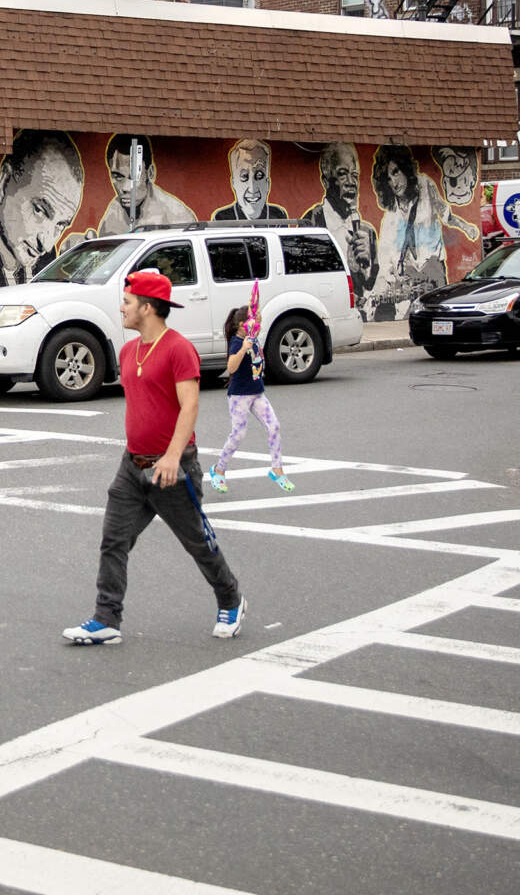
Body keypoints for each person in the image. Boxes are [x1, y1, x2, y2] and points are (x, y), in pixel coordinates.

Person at [64, 270, 245, 646]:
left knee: (196, 541)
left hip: (172, 469)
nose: (122, 308)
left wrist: (172, 456)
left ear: (147, 308)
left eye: (128, 302)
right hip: (132, 467)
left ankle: (231, 598)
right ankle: (106, 619)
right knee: (114, 540)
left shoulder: (179, 349)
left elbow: (189, 406)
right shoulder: (129, 350)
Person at [0, 130, 84, 292]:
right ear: (3, 184)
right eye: (40, 211)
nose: (46, 244)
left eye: (60, 225)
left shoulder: (48, 257)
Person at [366, 145, 481, 320]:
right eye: (388, 178)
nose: (394, 182)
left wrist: (466, 227)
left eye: (395, 172)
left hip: (433, 267)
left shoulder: (425, 185)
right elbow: (385, 260)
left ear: (405, 168)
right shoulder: (390, 216)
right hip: (411, 279)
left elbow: (445, 214)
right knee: (419, 317)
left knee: (441, 314)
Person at [210, 304, 289, 494]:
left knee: (274, 426)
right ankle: (219, 470)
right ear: (242, 325)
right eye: (257, 322)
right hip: (239, 395)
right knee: (238, 434)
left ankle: (277, 469)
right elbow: (231, 367)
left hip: (257, 392)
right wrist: (243, 349)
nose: (259, 326)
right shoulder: (239, 342)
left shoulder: (253, 339)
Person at [301, 143, 379, 304]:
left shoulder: (366, 231)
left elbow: (370, 284)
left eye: (355, 175)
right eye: (342, 174)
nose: (351, 182)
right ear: (326, 181)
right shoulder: (312, 222)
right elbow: (305, 275)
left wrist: (366, 266)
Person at [96, 133, 197, 236]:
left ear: (150, 173)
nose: (125, 188)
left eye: (134, 177)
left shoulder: (178, 218)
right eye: (118, 176)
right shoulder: (114, 213)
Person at [211, 139, 288, 222]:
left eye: (259, 175)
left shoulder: (278, 216)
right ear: (234, 184)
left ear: (268, 184)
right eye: (244, 176)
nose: (252, 189)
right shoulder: (222, 219)